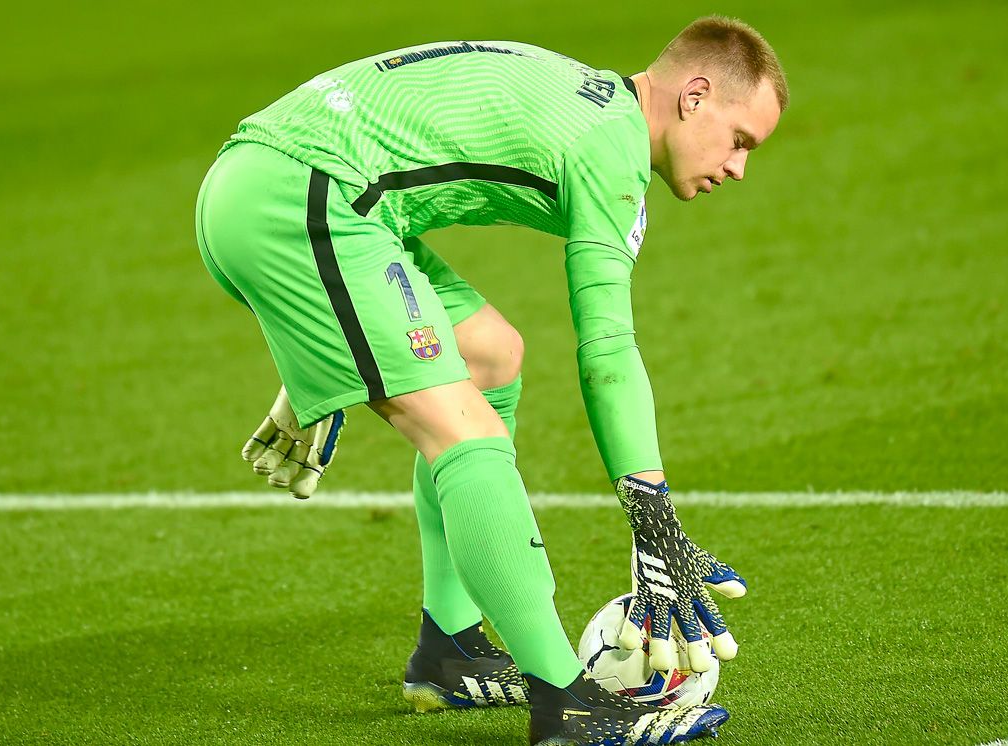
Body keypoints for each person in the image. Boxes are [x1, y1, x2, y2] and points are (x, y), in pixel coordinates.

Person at [195, 15, 786, 745]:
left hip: (300, 192)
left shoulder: (591, 102)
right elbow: (606, 346)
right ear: (695, 96)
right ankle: (569, 707)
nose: (738, 168)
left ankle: (449, 649)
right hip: (298, 203)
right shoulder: (609, 151)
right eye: (741, 141)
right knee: (461, 430)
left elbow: (380, 129)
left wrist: (320, 352)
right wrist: (651, 509)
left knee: (489, 357)